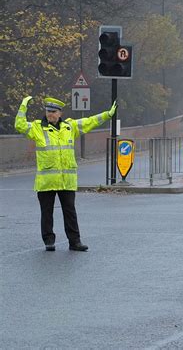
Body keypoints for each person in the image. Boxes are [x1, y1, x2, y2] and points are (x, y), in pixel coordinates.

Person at [15, 96, 117, 252]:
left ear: (60, 113)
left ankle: (75, 242)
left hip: (67, 180)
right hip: (46, 181)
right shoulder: (37, 128)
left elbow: (90, 122)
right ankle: (49, 241)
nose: (50, 114)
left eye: (53, 112)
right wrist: (23, 107)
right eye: (48, 111)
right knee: (47, 213)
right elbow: (19, 125)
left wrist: (107, 115)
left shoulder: (70, 127)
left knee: (70, 212)